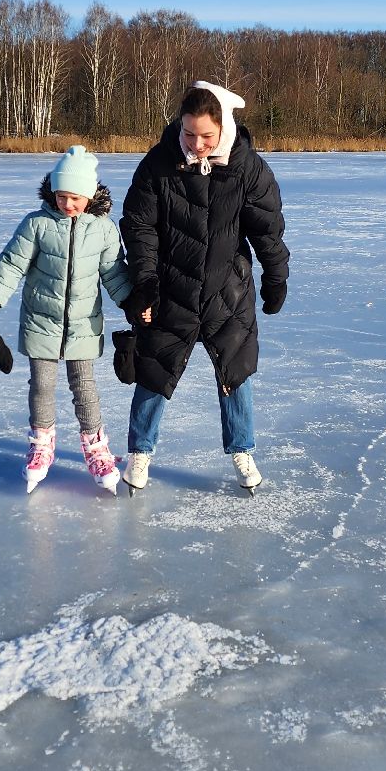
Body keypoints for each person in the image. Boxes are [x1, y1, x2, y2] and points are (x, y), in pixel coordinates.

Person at [119, 82, 289, 493]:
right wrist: (143, 282)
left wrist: (276, 276)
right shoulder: (159, 163)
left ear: (223, 128)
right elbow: (139, 225)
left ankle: (242, 450)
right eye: (188, 133)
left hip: (226, 291)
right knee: (154, 372)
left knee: (236, 372)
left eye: (206, 136)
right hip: (170, 287)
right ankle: (139, 453)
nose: (196, 143)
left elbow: (267, 230)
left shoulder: (247, 167)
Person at [0, 146, 133, 493]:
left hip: (83, 324)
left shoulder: (104, 230)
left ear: (89, 196)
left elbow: (114, 274)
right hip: (40, 320)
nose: (67, 204)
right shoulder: (38, 223)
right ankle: (41, 446)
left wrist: (133, 307)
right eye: (61, 196)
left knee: (84, 387)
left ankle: (96, 449)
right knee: (42, 385)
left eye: (75, 197)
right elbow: (12, 263)